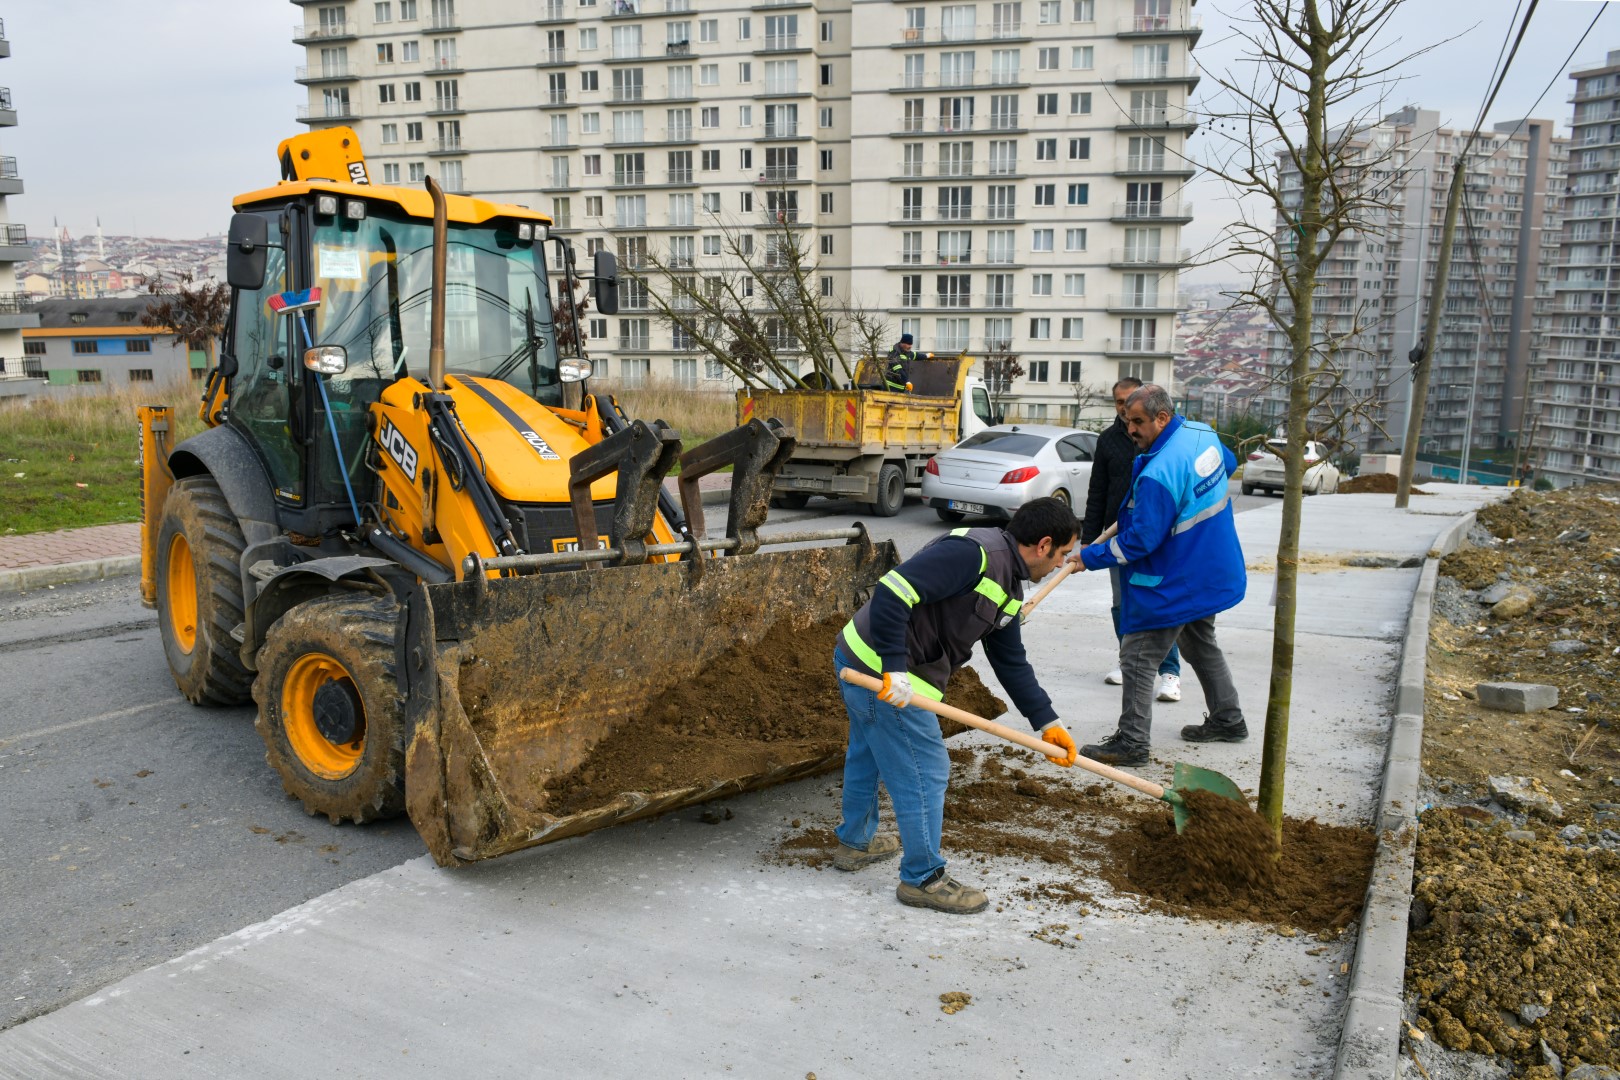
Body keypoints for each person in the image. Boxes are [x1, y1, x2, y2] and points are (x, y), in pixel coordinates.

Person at [831, 498, 1080, 914]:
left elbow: (1010, 660)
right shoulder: (975, 555)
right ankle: (923, 878)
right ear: (1044, 545)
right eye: (1062, 555)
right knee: (926, 769)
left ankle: (855, 844)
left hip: (863, 659)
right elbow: (895, 589)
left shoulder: (1009, 585)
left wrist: (1046, 720)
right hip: (880, 671)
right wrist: (895, 670)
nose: (1061, 565)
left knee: (868, 753)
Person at [1066, 384, 1248, 766]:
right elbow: (1226, 465)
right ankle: (1228, 720)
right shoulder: (1201, 433)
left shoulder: (1159, 472)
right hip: (1210, 567)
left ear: (1162, 418)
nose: (1130, 429)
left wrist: (1090, 557)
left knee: (1137, 656)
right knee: (1200, 643)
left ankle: (1132, 743)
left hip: (1177, 577)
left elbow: (1139, 543)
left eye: (1137, 422)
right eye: (1125, 421)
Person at [1081, 376, 1183, 703]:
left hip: (1157, 538)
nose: (1125, 412)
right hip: (1118, 536)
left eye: (1131, 404)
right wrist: (1089, 541)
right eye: (1119, 403)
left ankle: (1170, 673)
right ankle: (1130, 663)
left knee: (1158, 603)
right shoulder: (1109, 440)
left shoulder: (1164, 441)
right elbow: (1097, 492)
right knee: (1122, 604)